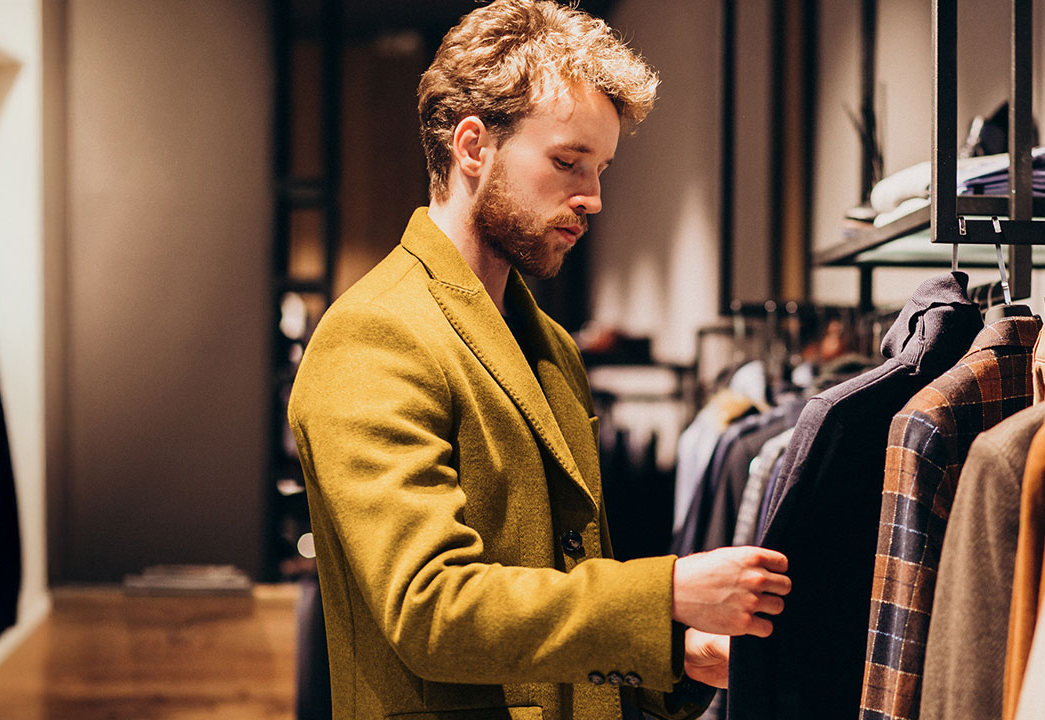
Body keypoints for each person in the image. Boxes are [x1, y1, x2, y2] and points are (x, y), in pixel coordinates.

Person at [286, 2, 791, 718]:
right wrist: (665, 595)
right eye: (566, 162)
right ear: (472, 147)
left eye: (601, 168)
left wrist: (672, 653)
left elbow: (560, 587)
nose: (593, 198)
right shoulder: (375, 334)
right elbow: (432, 610)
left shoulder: (549, 345)